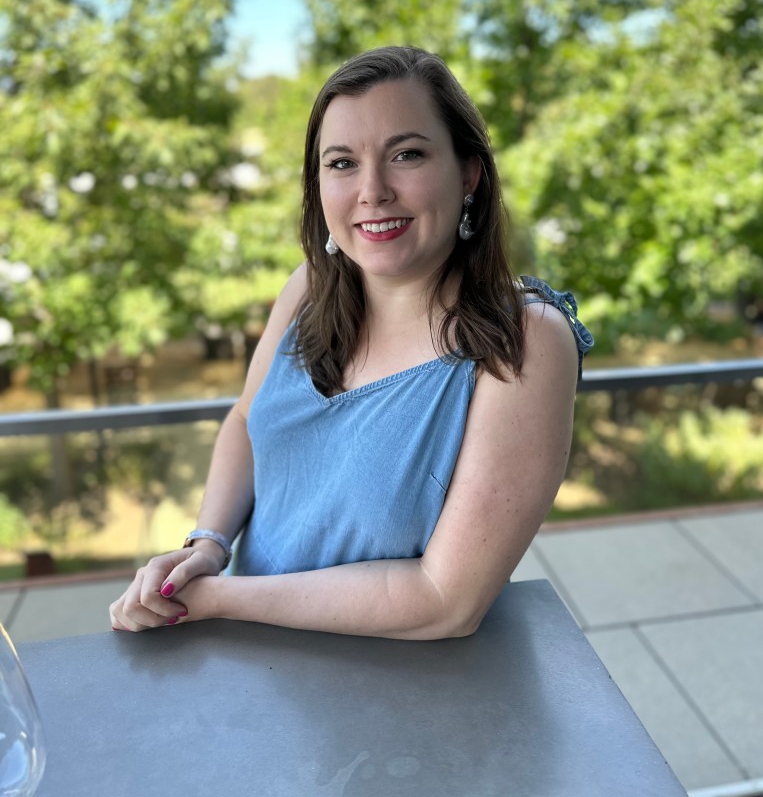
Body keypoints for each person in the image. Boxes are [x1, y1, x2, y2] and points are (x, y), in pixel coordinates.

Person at [109, 45, 593, 640]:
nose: (373, 190)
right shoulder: (307, 289)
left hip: (396, 696)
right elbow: (245, 420)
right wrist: (207, 545)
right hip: (252, 654)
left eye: (407, 154)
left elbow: (445, 601)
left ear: (468, 173)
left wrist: (216, 599)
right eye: (341, 163)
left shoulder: (524, 341)